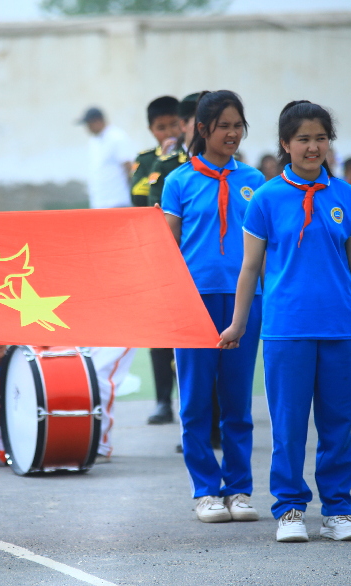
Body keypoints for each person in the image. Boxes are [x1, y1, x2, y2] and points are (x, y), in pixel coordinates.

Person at [220, 100, 351, 543]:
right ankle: (289, 510)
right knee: (288, 425)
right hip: (286, 328)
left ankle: (338, 511)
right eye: (303, 139)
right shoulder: (266, 197)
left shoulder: (346, 195)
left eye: (320, 138)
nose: (313, 146)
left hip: (340, 327)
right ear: (285, 144)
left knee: (337, 425)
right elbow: (249, 268)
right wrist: (238, 324)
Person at [160, 90, 264, 524]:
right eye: (224, 126)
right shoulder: (178, 181)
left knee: (237, 400)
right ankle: (205, 490)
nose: (233, 134)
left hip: (245, 302)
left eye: (238, 125)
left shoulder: (256, 180)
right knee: (197, 401)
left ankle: (239, 488)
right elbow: (165, 247)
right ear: (202, 130)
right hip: (193, 302)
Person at [146, 92, 200, 428]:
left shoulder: (239, 172)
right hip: (170, 263)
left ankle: (207, 414)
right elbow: (152, 213)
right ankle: (166, 401)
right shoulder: (163, 166)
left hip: (212, 269)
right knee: (164, 337)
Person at [130, 96, 181, 208]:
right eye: (161, 128)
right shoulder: (145, 159)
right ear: (151, 130)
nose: (169, 133)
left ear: (183, 123)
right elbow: (138, 198)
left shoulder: (192, 154)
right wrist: (161, 163)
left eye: (174, 125)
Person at [80, 107, 133, 209]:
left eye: (89, 124)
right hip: (99, 203)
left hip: (118, 202)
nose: (87, 128)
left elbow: (129, 167)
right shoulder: (93, 141)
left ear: (98, 121)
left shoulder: (117, 137)